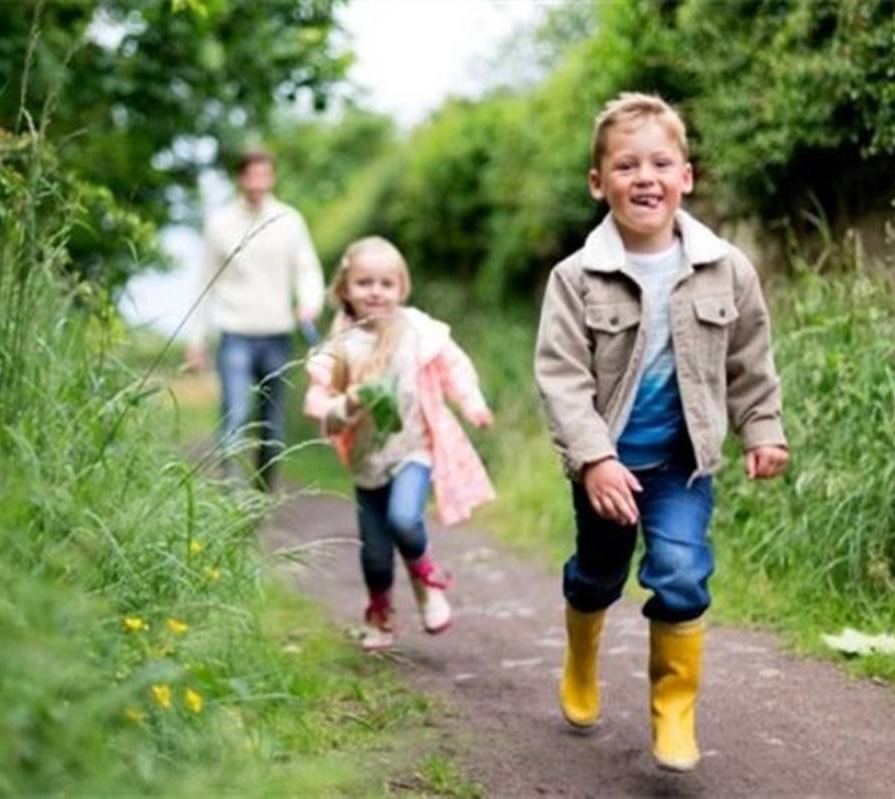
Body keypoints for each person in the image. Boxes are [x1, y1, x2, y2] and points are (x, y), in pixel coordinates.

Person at [534, 93, 789, 772]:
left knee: (680, 573)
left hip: (682, 462)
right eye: (626, 166)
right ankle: (581, 658)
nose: (645, 177)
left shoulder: (726, 268)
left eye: (660, 163)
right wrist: (593, 459)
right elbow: (561, 377)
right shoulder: (575, 278)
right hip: (608, 465)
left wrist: (762, 429)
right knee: (598, 575)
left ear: (686, 176)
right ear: (598, 183)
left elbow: (749, 359)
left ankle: (673, 709)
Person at [304, 236, 495, 652]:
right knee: (375, 555)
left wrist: (472, 403)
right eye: (364, 283)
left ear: (401, 288)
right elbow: (318, 407)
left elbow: (453, 366)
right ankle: (381, 616)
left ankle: (428, 581)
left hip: (414, 449)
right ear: (345, 289)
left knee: (405, 520)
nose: (376, 292)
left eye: (386, 284)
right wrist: (347, 404)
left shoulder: (418, 330)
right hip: (366, 462)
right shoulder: (340, 347)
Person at [186, 150, 324, 490]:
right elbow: (206, 285)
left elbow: (307, 269)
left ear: (272, 178)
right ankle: (233, 495)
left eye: (265, 175)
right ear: (240, 178)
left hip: (277, 334)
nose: (258, 183)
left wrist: (309, 304)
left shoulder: (289, 220)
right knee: (235, 416)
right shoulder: (220, 224)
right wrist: (196, 340)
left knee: (272, 427)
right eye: (252, 175)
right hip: (235, 333)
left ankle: (262, 493)